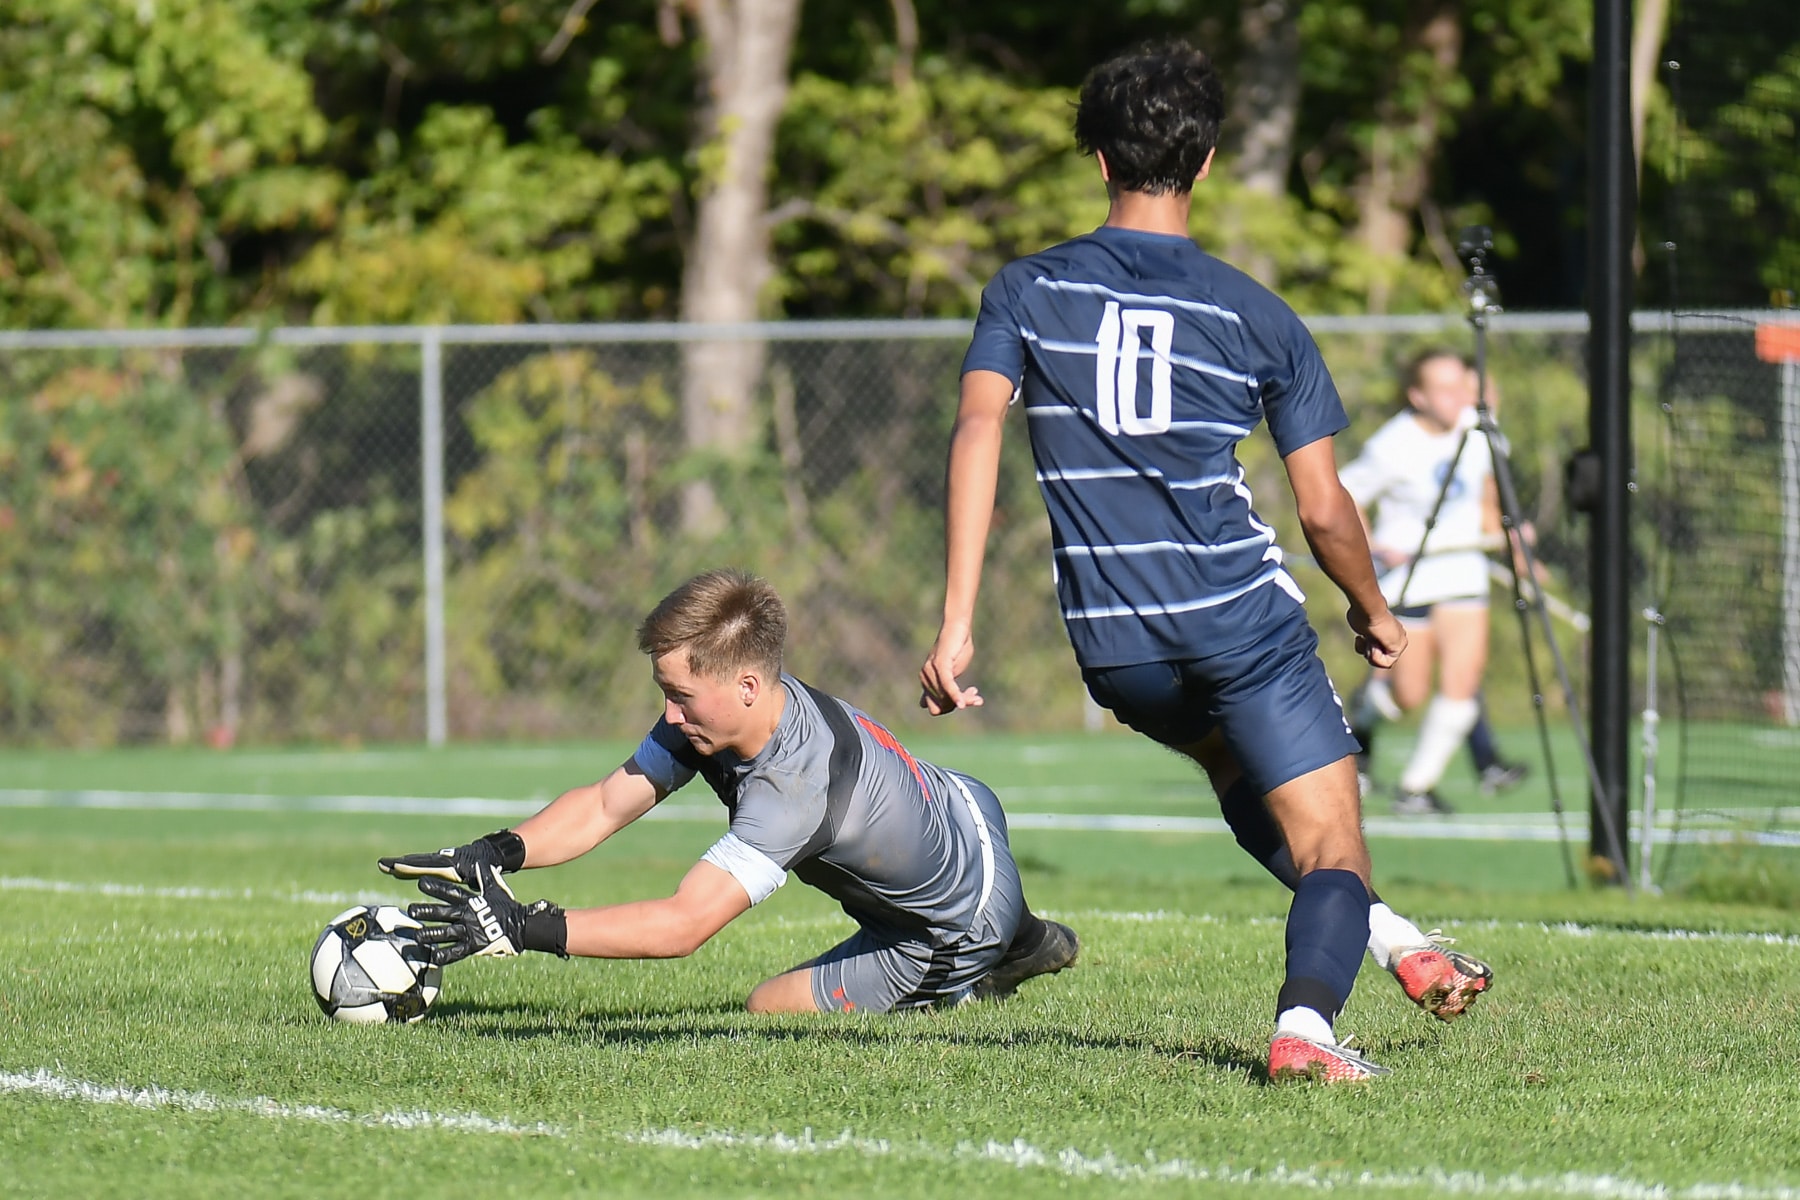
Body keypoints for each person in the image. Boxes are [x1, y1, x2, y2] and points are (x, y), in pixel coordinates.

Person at [919, 41, 1489, 1083]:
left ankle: (1399, 941)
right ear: (1209, 161)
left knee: (1237, 770)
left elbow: (976, 432)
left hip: (1117, 648)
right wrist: (1373, 611)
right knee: (1332, 846)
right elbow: (1323, 510)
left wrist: (956, 622)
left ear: (1099, 159)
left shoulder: (1025, 289)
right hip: (1239, 621)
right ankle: (1306, 1030)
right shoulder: (1256, 314)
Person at [382, 568, 1078, 1015]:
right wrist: (496, 851)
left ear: (745, 685)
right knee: (966, 892)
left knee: (767, 1007)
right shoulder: (740, 709)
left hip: (945, 929)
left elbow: (683, 925)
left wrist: (525, 928)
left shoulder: (791, 792)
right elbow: (604, 804)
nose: (670, 714)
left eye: (681, 696)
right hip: (967, 808)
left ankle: (980, 967)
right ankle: (1032, 938)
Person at [1339, 351, 1523, 815]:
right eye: (1443, 388)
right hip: (1411, 578)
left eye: (1461, 385)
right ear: (1418, 396)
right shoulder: (1393, 444)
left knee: (1462, 682)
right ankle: (1362, 728)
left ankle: (1415, 788)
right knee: (1408, 694)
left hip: (1462, 570)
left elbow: (1486, 490)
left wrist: (1512, 538)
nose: (1457, 397)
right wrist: (1374, 547)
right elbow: (1345, 494)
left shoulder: (1477, 429)